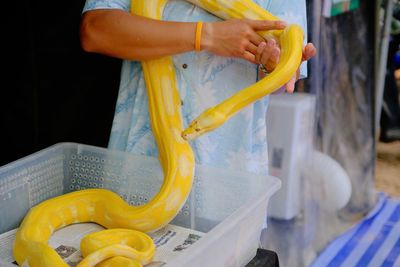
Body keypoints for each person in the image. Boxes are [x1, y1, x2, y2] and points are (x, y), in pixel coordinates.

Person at [79, 0, 316, 177]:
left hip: (227, 179)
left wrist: (274, 65)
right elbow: (95, 31)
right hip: (136, 169)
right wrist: (206, 36)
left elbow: (286, 77)